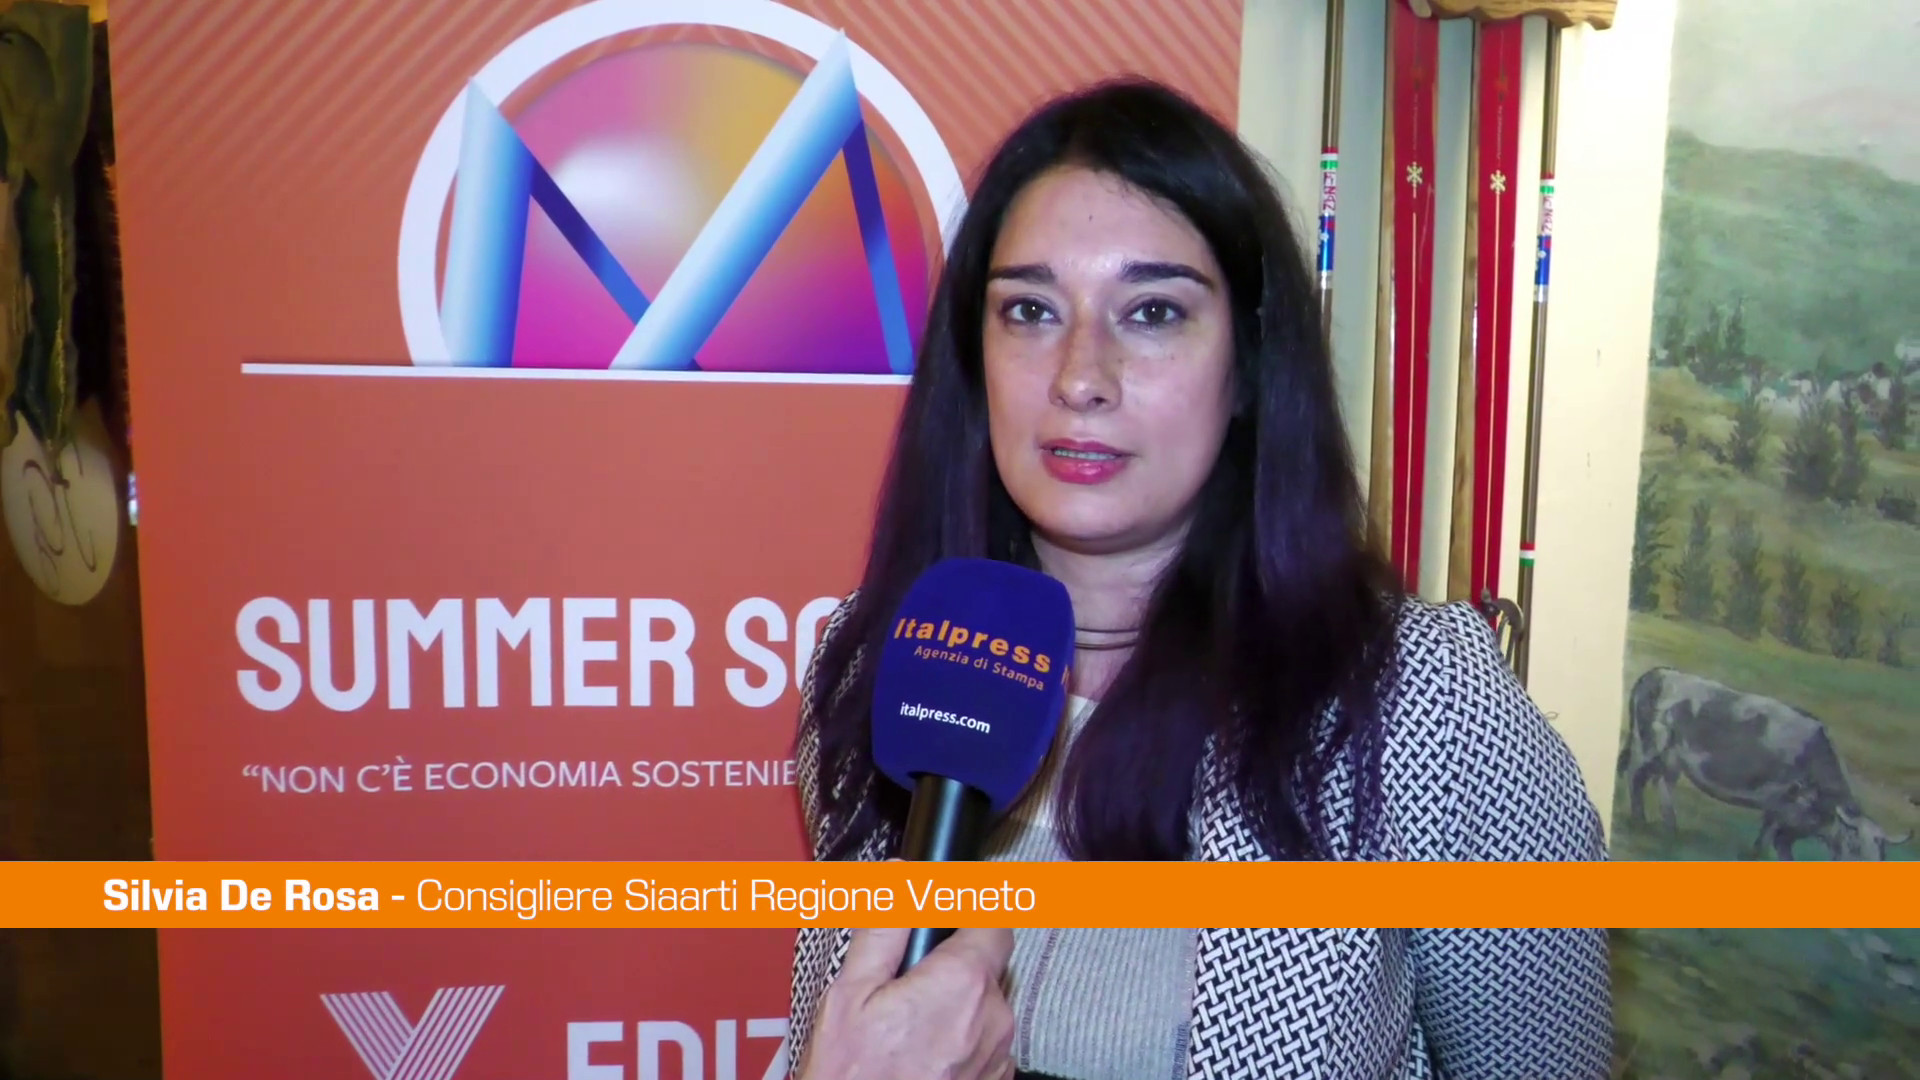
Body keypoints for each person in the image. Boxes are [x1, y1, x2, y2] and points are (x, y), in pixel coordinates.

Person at [786, 77, 1611, 1080]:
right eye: (1030, 310)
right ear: (975, 356)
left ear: (1249, 366)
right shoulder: (876, 668)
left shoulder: (1420, 702)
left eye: (1153, 312)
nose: (1079, 378)